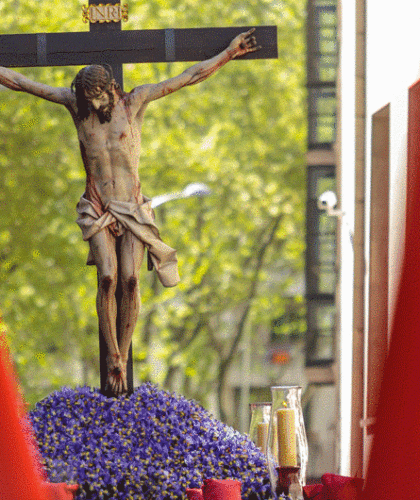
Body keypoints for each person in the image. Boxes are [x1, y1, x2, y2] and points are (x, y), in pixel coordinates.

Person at [0, 29, 258, 395]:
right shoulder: (75, 107)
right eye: (85, 98)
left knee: (131, 281)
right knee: (107, 277)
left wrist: (229, 53)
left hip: (133, 209)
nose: (91, 104)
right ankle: (114, 357)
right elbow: (22, 82)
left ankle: (124, 349)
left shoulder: (135, 102)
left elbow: (188, 77)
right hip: (97, 208)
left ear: (110, 89)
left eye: (96, 97)